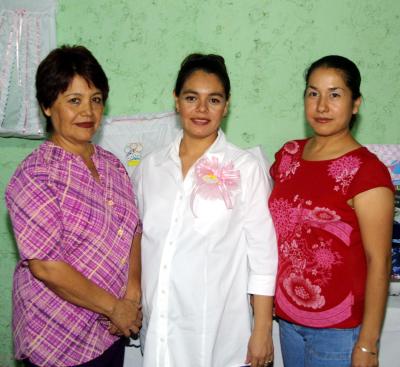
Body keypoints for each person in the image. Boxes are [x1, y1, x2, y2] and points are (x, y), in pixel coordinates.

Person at [131, 53, 278, 367]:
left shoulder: (245, 168)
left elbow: (263, 256)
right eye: (191, 97)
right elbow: (139, 238)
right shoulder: (149, 169)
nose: (201, 109)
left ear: (226, 106)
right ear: (176, 101)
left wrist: (262, 329)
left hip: (218, 338)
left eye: (213, 99)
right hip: (160, 334)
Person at [5, 45, 142, 367]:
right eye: (74, 100)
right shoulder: (35, 175)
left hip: (110, 329)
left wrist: (132, 294)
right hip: (57, 336)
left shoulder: (112, 164)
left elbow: (133, 230)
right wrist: (114, 306)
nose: (88, 112)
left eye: (96, 99)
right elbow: (46, 266)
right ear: (47, 107)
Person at [268, 55, 395, 367]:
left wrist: (368, 344)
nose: (322, 106)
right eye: (313, 93)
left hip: (339, 332)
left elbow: (378, 262)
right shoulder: (289, 155)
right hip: (288, 321)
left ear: (356, 104)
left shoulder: (367, 171)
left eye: (335, 94)